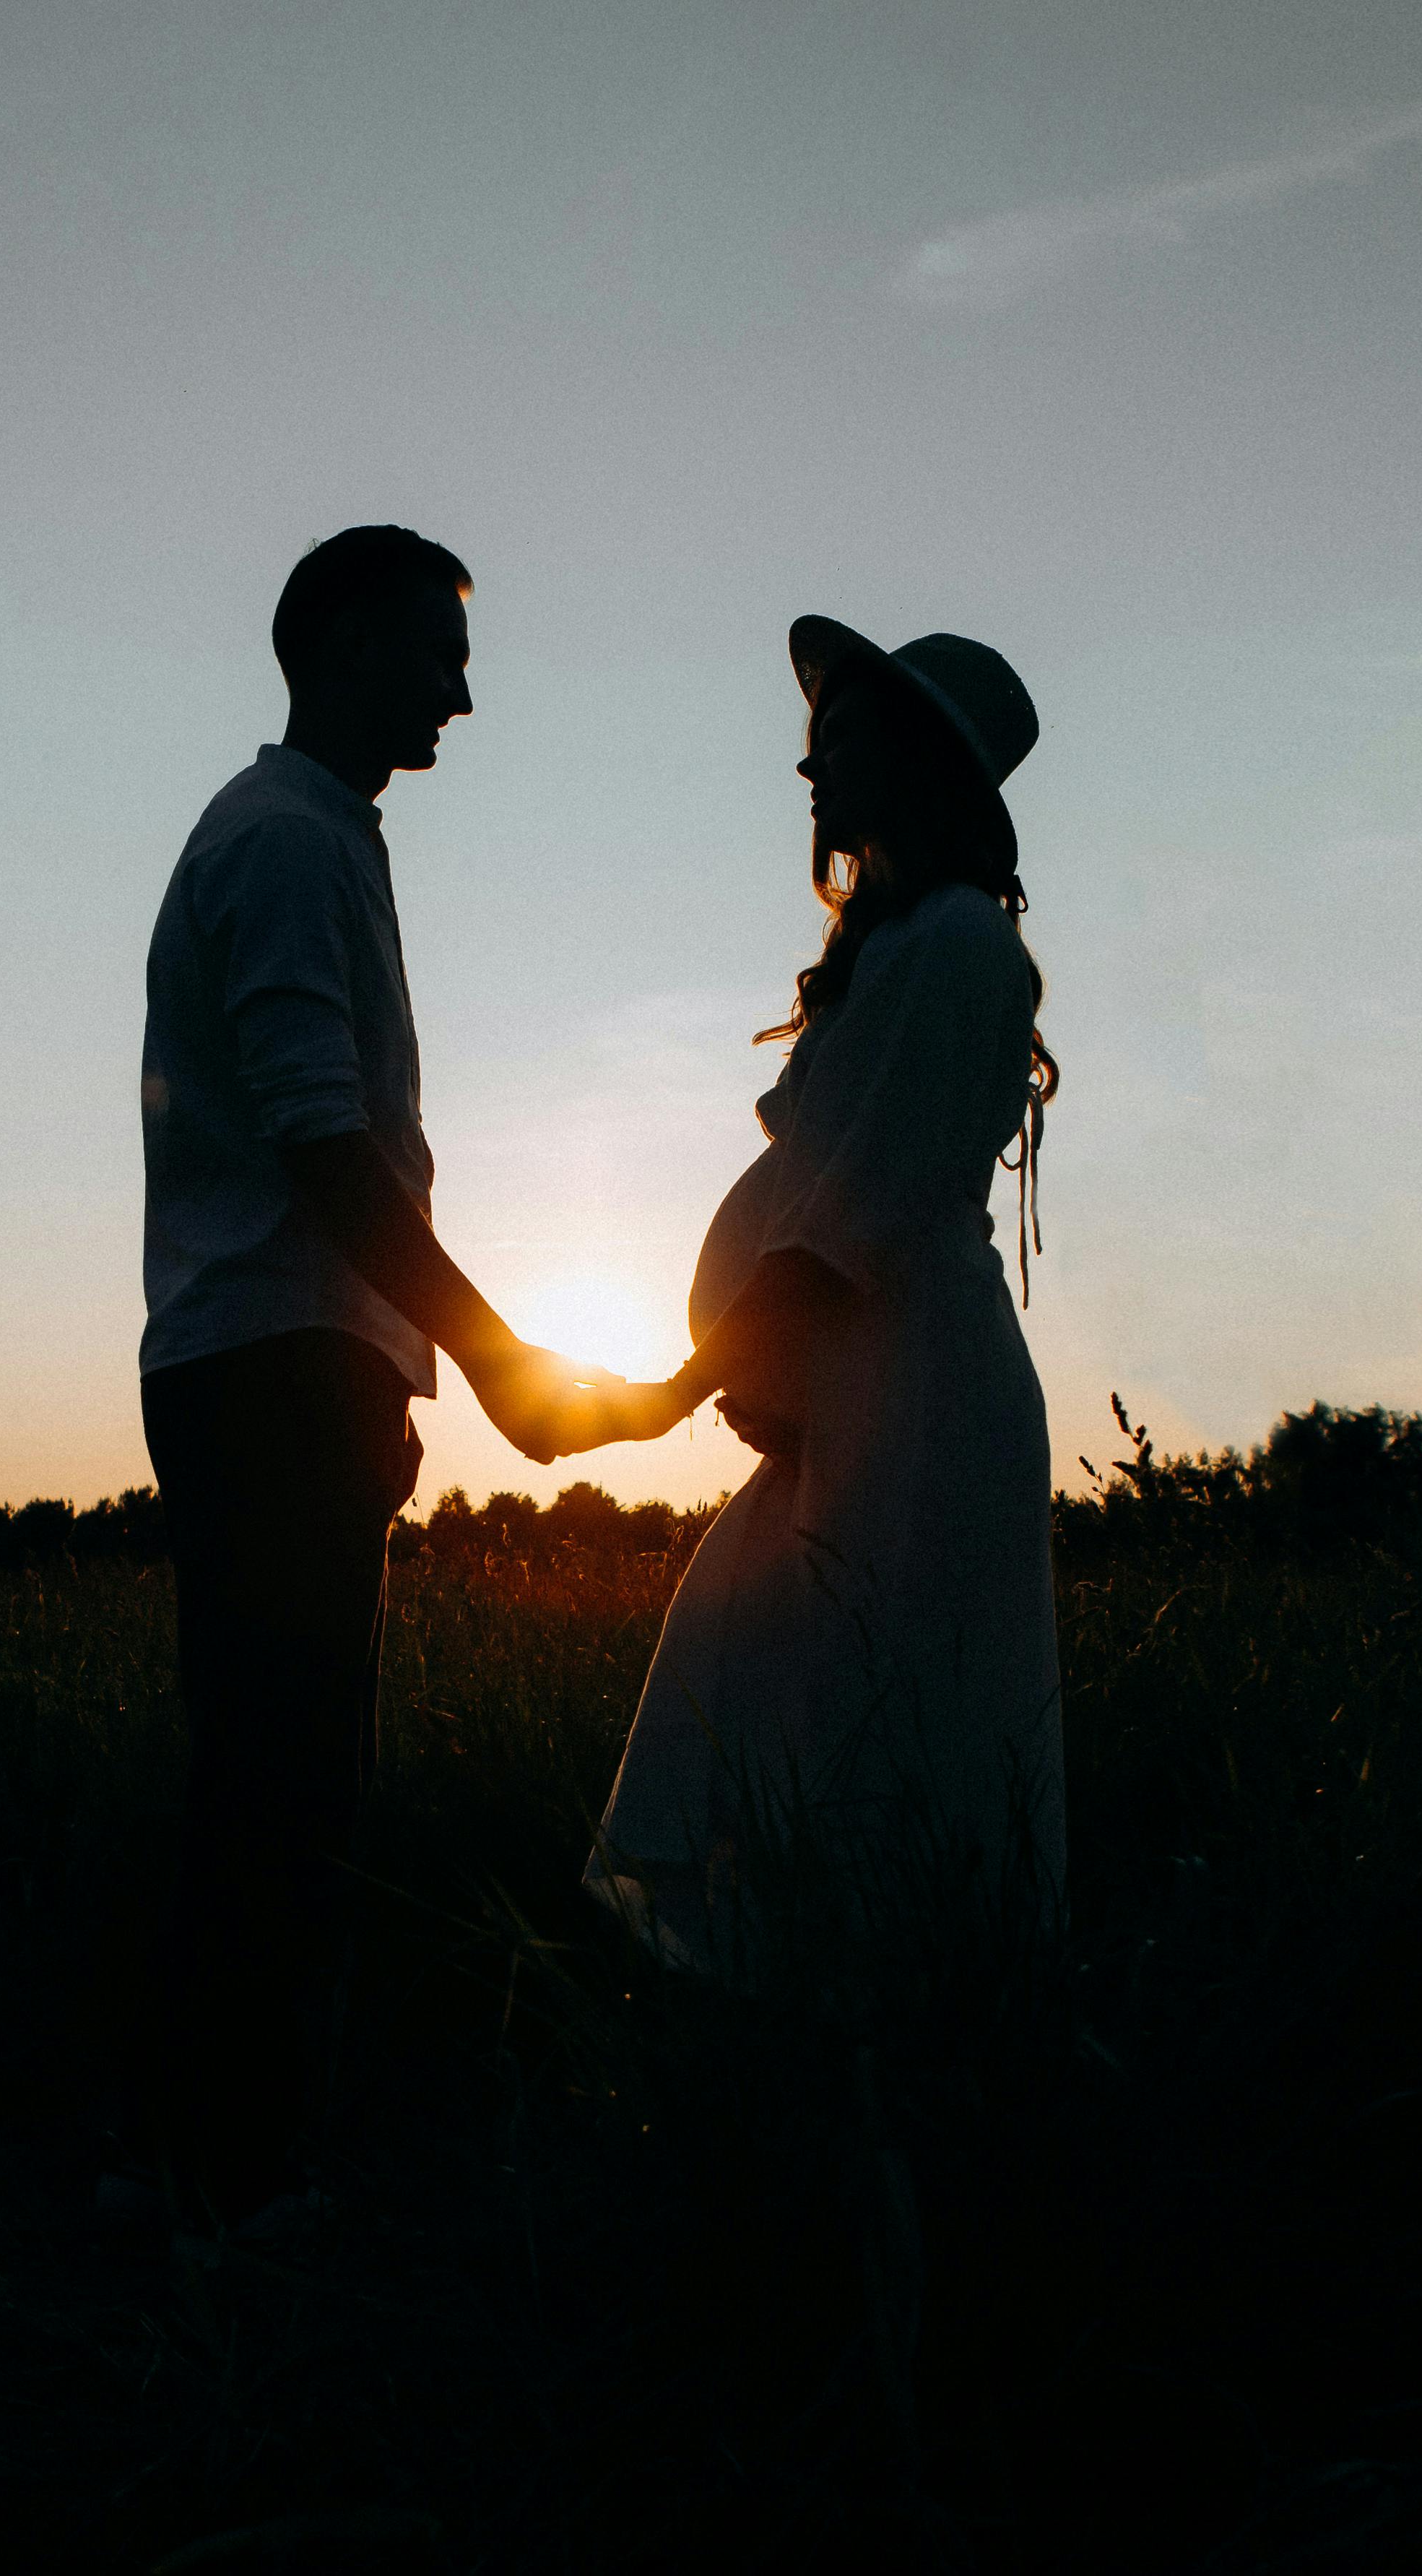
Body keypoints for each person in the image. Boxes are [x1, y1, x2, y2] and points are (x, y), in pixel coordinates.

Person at [133, 524, 613, 2229]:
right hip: (269, 1366)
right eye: (434, 651)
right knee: (280, 1798)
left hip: (297, 1364)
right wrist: (490, 1359)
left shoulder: (316, 834)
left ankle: (237, 2176)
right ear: (339, 642)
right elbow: (325, 1146)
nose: (462, 695)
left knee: (283, 1788)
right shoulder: (280, 842)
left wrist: (398, 1372)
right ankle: (239, 2201)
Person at [560, 617, 1067, 1979]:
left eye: (837, 743)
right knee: (779, 1694)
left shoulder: (959, 946)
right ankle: (813, 2067)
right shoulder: (894, 953)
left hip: (914, 1405)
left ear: (916, 763)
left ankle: (896, 2078)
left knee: (877, 1723)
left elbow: (843, 1223)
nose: (809, 771)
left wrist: (676, 1388)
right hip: (849, 1401)